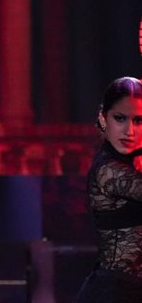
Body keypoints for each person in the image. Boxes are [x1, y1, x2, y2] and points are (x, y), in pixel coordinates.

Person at [75, 77, 142, 303]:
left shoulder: (132, 162)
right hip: (112, 293)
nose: (129, 130)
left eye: (139, 120)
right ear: (104, 119)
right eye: (120, 118)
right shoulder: (108, 170)